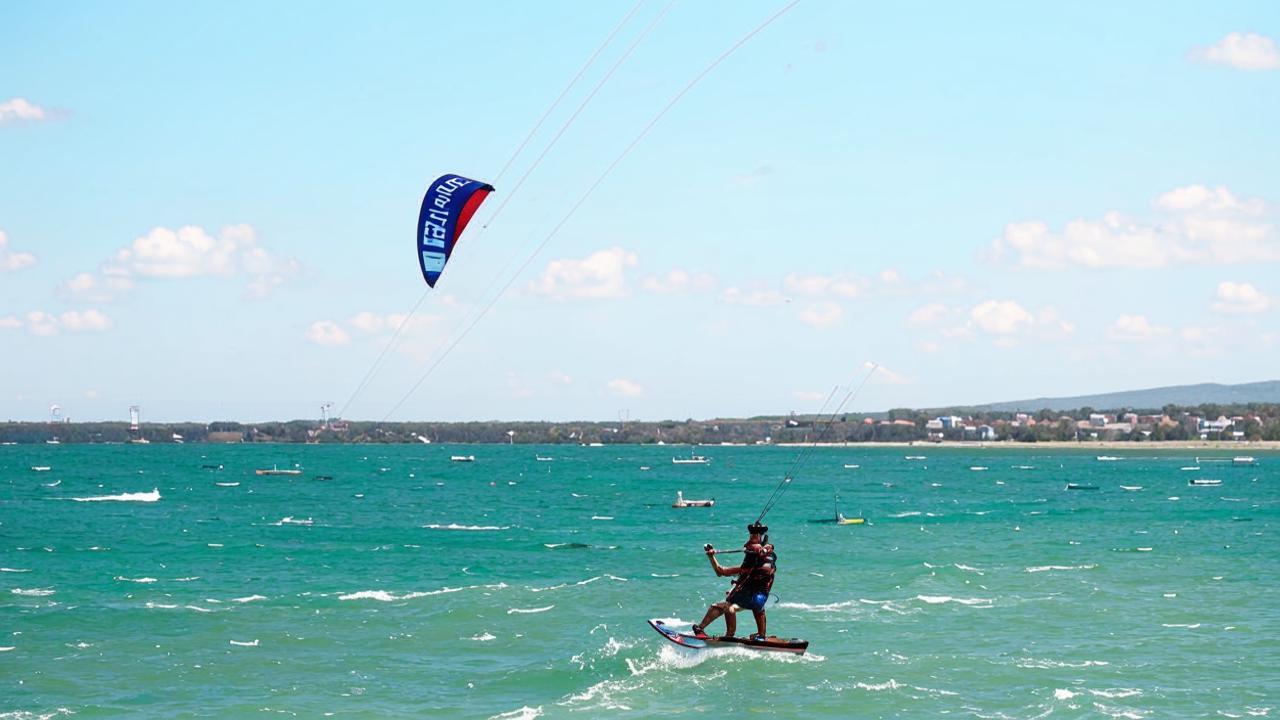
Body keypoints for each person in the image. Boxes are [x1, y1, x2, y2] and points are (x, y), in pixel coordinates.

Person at [691, 522, 777, 641]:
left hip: (756, 598)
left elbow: (766, 549)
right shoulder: (745, 568)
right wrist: (711, 556)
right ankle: (760, 635)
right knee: (719, 606)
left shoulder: (765, 559)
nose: (752, 536)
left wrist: (765, 548)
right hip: (754, 600)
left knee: (729, 605)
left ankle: (730, 635)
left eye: (755, 534)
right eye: (751, 534)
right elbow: (720, 571)